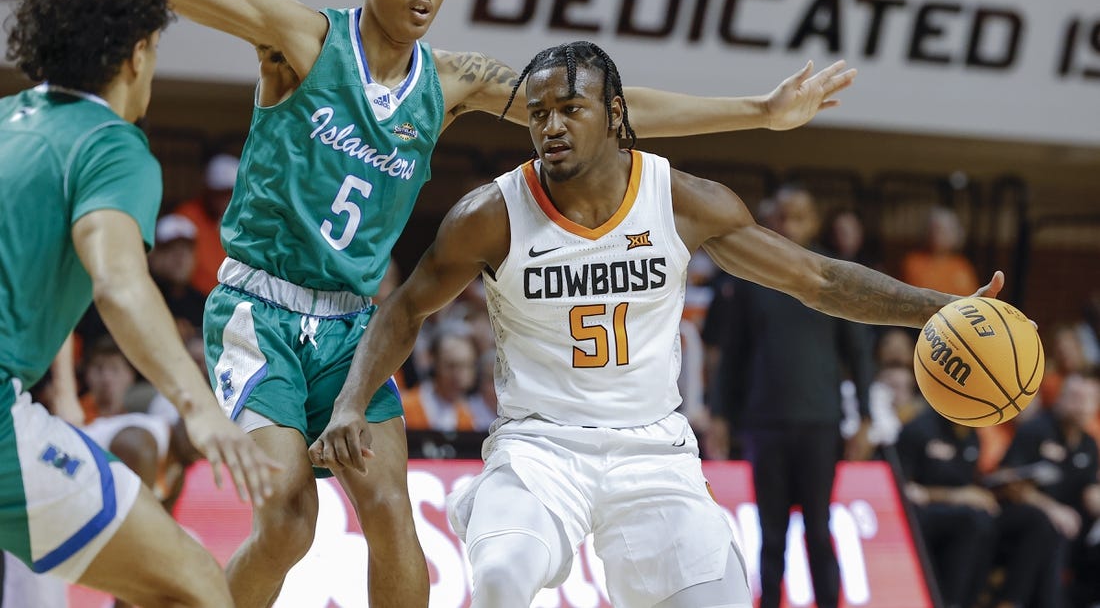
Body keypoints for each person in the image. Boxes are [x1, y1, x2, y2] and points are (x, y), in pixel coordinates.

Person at [4, 0, 860, 606]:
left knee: (390, 510)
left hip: (351, 326)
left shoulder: (452, 81)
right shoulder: (299, 36)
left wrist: (758, 111)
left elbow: (612, 103)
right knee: (292, 517)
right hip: (258, 312)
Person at [309, 40, 1004, 608]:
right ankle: (490, 505)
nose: (550, 125)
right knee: (497, 581)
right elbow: (402, 311)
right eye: (538, 112)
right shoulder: (490, 213)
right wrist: (349, 402)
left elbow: (816, 279)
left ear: (616, 113)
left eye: (569, 108)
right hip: (539, 450)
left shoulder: (679, 200)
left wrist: (935, 306)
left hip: (655, 454)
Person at [0, 0, 275, 606]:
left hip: (22, 401)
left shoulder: (6, 119)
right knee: (197, 586)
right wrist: (199, 406)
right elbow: (119, 282)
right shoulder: (108, 143)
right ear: (138, 53)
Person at [705, 183, 877, 608]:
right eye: (782, 216)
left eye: (799, 216)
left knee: (819, 530)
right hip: (765, 422)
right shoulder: (750, 276)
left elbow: (859, 353)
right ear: (770, 219)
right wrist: (720, 416)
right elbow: (733, 354)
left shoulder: (834, 273)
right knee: (771, 534)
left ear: (815, 221)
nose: (789, 224)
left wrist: (867, 419)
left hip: (820, 421)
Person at [897, 404, 1062, 608]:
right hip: (923, 514)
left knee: (1035, 520)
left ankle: (1008, 601)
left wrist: (1000, 487)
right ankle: (952, 602)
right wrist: (953, 496)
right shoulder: (919, 429)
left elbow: (970, 482)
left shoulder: (972, 434)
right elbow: (900, 488)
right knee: (973, 520)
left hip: (969, 510)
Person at [997, 373, 1100, 608]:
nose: (1083, 406)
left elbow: (1090, 491)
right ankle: (1012, 601)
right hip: (1019, 516)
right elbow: (1009, 482)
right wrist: (1053, 509)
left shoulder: (1088, 443)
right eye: (1076, 398)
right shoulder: (1036, 430)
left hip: (1070, 525)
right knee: (1047, 525)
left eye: (1090, 399)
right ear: (1060, 398)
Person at [173, 153, 238, 295]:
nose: (225, 199)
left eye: (230, 192)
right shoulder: (187, 216)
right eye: (219, 193)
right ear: (207, 190)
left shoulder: (240, 220)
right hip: (195, 299)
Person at [900, 205, 980, 297]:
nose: (940, 235)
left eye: (947, 230)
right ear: (928, 231)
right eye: (937, 229)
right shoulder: (913, 262)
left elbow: (972, 298)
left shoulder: (962, 265)